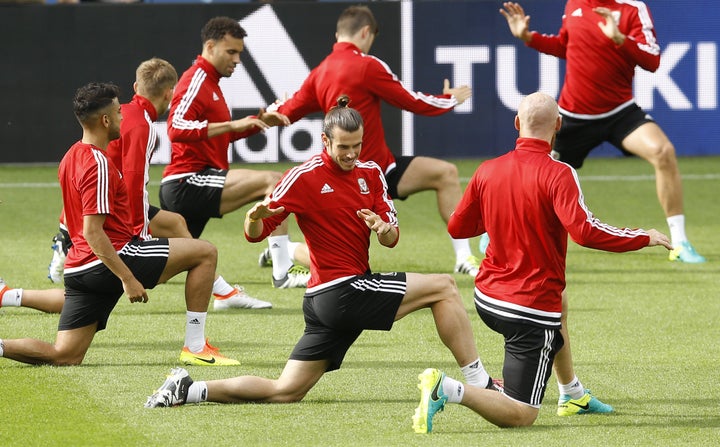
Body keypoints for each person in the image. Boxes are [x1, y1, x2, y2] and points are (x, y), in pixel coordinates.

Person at [144, 97, 499, 409]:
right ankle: (481, 382)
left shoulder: (371, 174)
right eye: (343, 146)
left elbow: (391, 240)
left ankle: (190, 389)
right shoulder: (303, 177)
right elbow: (255, 235)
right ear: (324, 140)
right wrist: (254, 218)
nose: (350, 154)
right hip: (338, 292)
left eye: (357, 146)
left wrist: (383, 228)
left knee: (285, 391)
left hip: (336, 297)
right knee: (445, 287)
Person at [411, 92, 672, 432]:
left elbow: (458, 226)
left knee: (559, 300)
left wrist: (499, 212)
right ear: (558, 127)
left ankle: (572, 393)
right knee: (522, 414)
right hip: (527, 311)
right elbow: (585, 232)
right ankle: (448, 389)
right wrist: (643, 236)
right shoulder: (559, 173)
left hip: (487, 298)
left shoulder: (488, 169)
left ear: (517, 124)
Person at [0, 82, 239, 367]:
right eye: (117, 112)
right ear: (105, 120)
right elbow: (92, 230)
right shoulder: (97, 163)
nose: (122, 117)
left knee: (66, 355)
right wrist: (128, 278)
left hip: (80, 268)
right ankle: (196, 347)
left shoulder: (70, 156)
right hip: (109, 260)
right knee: (205, 252)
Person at [40, 58, 271, 311]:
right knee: (84, 296)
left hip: (97, 206)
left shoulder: (126, 113)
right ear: (170, 93)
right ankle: (63, 245)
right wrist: (140, 236)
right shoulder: (142, 124)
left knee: (176, 223)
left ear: (136, 86)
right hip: (111, 210)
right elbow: (133, 181)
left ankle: (223, 292)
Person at [267, 5, 481, 277]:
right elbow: (410, 99)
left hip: (366, 173)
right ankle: (287, 252)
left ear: (337, 34)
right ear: (366, 32)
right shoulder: (367, 65)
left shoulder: (319, 73)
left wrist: (271, 112)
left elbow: (286, 113)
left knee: (444, 173)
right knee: (342, 260)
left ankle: (464, 257)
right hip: (364, 174)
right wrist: (450, 99)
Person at [499, 1, 704, 264]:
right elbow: (566, 45)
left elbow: (652, 61)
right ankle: (498, 233)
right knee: (531, 174)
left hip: (620, 113)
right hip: (573, 117)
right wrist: (529, 38)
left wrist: (620, 38)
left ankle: (679, 241)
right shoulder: (574, 3)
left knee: (663, 152)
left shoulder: (633, 8)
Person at [159, 16, 311, 289]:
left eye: (240, 53)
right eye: (231, 52)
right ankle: (283, 272)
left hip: (195, 182)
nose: (238, 60)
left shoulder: (211, 83)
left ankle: (78, 249)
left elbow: (220, 136)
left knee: (156, 271)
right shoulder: (196, 78)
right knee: (275, 182)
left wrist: (261, 122)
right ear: (210, 46)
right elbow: (175, 128)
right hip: (188, 181)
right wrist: (233, 123)